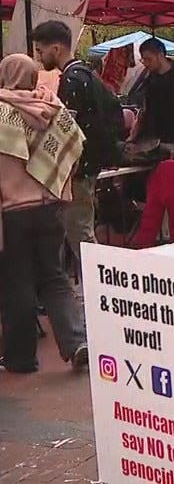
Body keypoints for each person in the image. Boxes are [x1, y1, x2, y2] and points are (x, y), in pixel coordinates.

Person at [0, 54, 89, 374]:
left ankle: (21, 358)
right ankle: (76, 341)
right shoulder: (52, 108)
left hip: (13, 210)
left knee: (18, 281)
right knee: (54, 276)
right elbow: (75, 151)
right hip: (51, 206)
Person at [31, 21, 125, 258]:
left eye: (40, 51)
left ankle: (94, 287)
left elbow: (67, 130)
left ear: (55, 49)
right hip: (90, 163)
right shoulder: (88, 75)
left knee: (79, 230)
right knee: (79, 227)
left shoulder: (72, 80)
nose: (39, 57)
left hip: (78, 168)